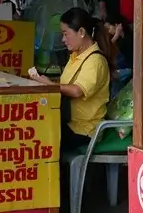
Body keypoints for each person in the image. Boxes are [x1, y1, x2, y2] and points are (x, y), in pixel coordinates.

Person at [28, 8, 112, 151]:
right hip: (71, 124)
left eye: (66, 34)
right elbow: (66, 84)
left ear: (81, 32)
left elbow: (77, 91)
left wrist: (50, 84)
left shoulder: (95, 61)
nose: (63, 39)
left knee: (38, 139)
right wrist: (46, 81)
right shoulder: (75, 56)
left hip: (84, 130)